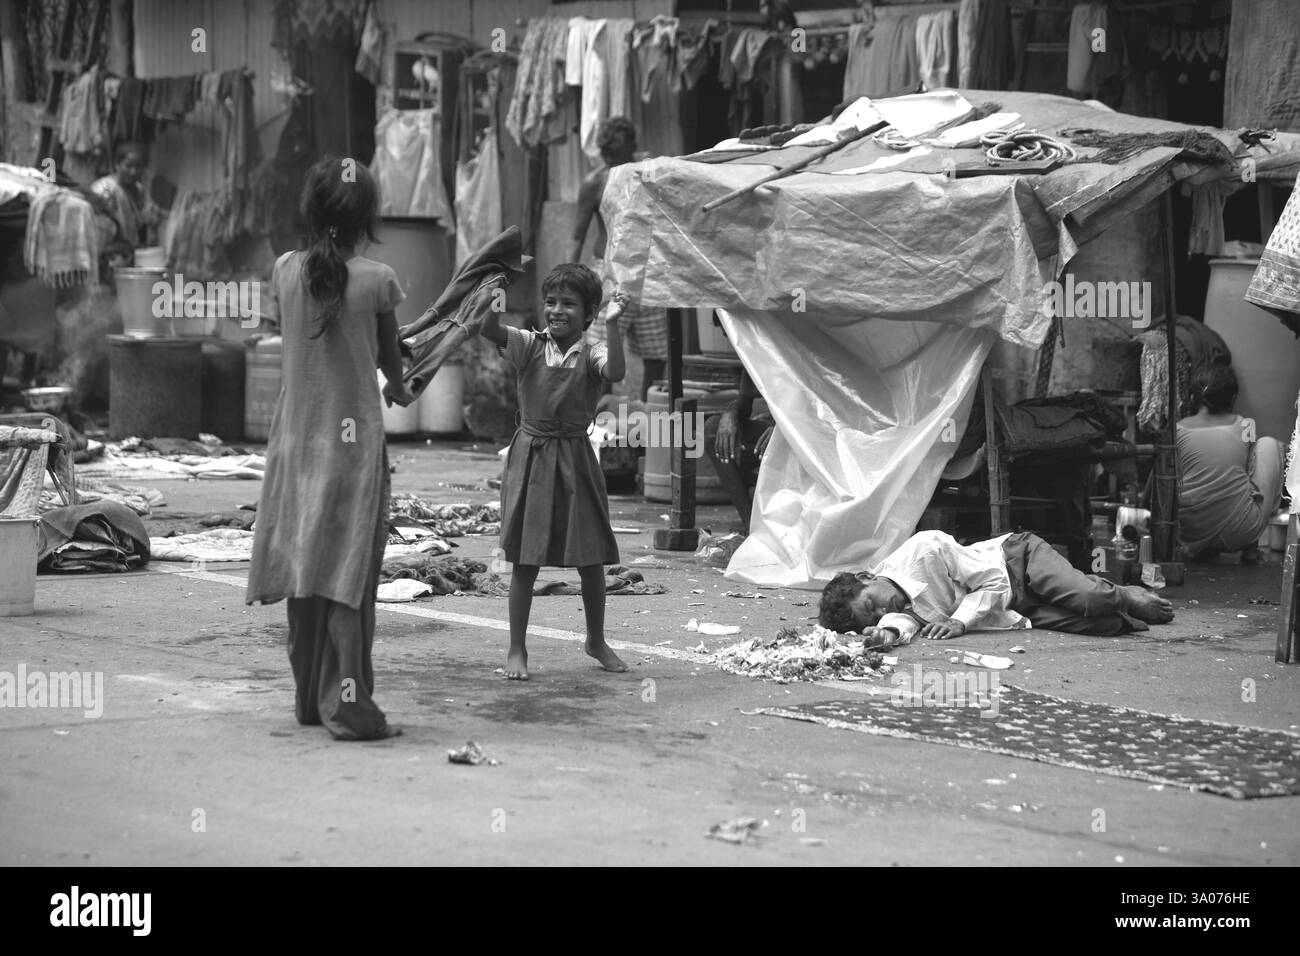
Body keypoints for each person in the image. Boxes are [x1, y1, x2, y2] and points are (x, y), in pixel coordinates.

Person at [246, 157, 412, 741]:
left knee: (305, 568)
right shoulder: (378, 280)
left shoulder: (284, 270)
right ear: (368, 216)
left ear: (312, 211)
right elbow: (399, 381)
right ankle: (350, 710)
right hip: (352, 449)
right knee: (347, 576)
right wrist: (407, 374)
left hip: (293, 444)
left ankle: (309, 700)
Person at [481, 263, 631, 681]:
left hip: (576, 457)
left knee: (592, 559)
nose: (557, 310)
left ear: (589, 314)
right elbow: (489, 329)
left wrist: (614, 326)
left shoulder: (594, 350)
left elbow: (616, 373)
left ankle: (595, 640)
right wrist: (496, 292)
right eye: (551, 301)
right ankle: (516, 648)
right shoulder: (529, 344)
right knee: (526, 559)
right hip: (530, 457)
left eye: (568, 303)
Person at [818, 529, 1175, 642]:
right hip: (1013, 608)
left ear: (866, 578)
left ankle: (1124, 593)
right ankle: (1116, 604)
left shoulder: (924, 549)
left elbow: (994, 579)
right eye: (874, 617)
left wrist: (960, 621)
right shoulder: (892, 612)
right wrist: (886, 635)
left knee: (1091, 599)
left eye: (872, 604)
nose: (883, 611)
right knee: (1106, 626)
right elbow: (902, 622)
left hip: (1016, 562)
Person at [571, 117, 667, 400]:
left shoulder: (648, 172)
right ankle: (600, 426)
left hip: (647, 274)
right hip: (609, 275)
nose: (611, 159)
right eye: (606, 154)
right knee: (603, 356)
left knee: (657, 356)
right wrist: (568, 281)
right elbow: (576, 235)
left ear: (632, 147)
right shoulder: (595, 182)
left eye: (617, 153)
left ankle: (648, 424)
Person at [1176, 364, 1285, 562]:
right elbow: (1252, 473)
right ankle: (1251, 551)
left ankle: (1205, 545)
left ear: (1192, 398)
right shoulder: (1245, 424)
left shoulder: (1178, 430)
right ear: (1232, 399)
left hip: (1188, 536)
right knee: (1269, 445)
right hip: (1239, 533)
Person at [704, 366, 774, 532]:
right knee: (713, 429)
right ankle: (751, 526)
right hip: (775, 430)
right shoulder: (753, 353)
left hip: (806, 435)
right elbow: (744, 405)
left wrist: (781, 426)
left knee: (782, 438)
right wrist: (730, 414)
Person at [89, 142, 165, 261]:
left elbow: (147, 220)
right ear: (117, 165)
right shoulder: (105, 190)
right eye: (128, 166)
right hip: (108, 256)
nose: (133, 172)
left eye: (138, 167)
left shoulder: (139, 190)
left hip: (130, 254)